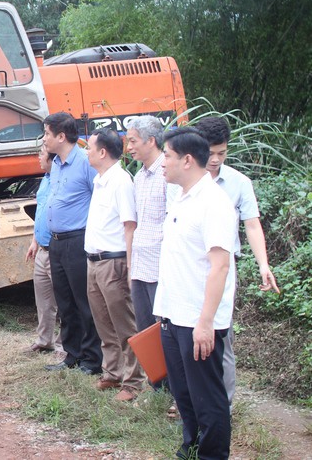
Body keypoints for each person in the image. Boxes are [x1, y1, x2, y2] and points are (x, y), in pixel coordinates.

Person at [155, 127, 237, 460]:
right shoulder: (181, 198)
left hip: (198, 320)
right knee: (184, 393)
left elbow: (220, 267)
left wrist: (206, 322)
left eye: (167, 155)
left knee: (208, 397)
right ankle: (190, 448)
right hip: (174, 315)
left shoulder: (214, 203)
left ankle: (212, 455)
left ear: (187, 160)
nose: (162, 162)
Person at [194, 116, 280, 407]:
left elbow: (252, 225)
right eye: (210, 153)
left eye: (222, 152)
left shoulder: (238, 182)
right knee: (186, 332)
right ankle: (191, 401)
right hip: (189, 266)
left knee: (221, 334)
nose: (216, 159)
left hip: (222, 268)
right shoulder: (183, 180)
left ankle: (224, 405)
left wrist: (263, 265)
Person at [84, 128, 144, 401]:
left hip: (113, 261)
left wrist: (130, 266)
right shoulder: (100, 180)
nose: (87, 152)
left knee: (124, 324)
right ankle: (112, 372)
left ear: (102, 152)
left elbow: (129, 226)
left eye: (90, 147)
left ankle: (133, 381)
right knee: (103, 322)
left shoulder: (120, 181)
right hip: (94, 261)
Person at [42, 112, 103, 375]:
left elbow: (98, 199)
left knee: (83, 301)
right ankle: (73, 354)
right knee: (65, 302)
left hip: (78, 240)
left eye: (47, 134)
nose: (44, 139)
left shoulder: (85, 162)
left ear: (61, 136)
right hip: (56, 242)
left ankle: (92, 359)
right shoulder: (56, 163)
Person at [126, 115, 172, 393]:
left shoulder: (168, 174)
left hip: (160, 266)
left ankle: (174, 390)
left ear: (151, 141)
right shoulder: (140, 177)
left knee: (164, 329)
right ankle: (157, 386)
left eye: (133, 141)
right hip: (141, 266)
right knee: (145, 329)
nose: (129, 147)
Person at [24, 143, 60, 353]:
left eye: (42, 154)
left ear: (52, 159)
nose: (38, 157)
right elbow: (41, 212)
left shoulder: (60, 180)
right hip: (42, 248)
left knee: (64, 299)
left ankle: (65, 342)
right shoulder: (45, 180)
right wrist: (34, 241)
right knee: (43, 299)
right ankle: (44, 340)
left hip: (56, 248)